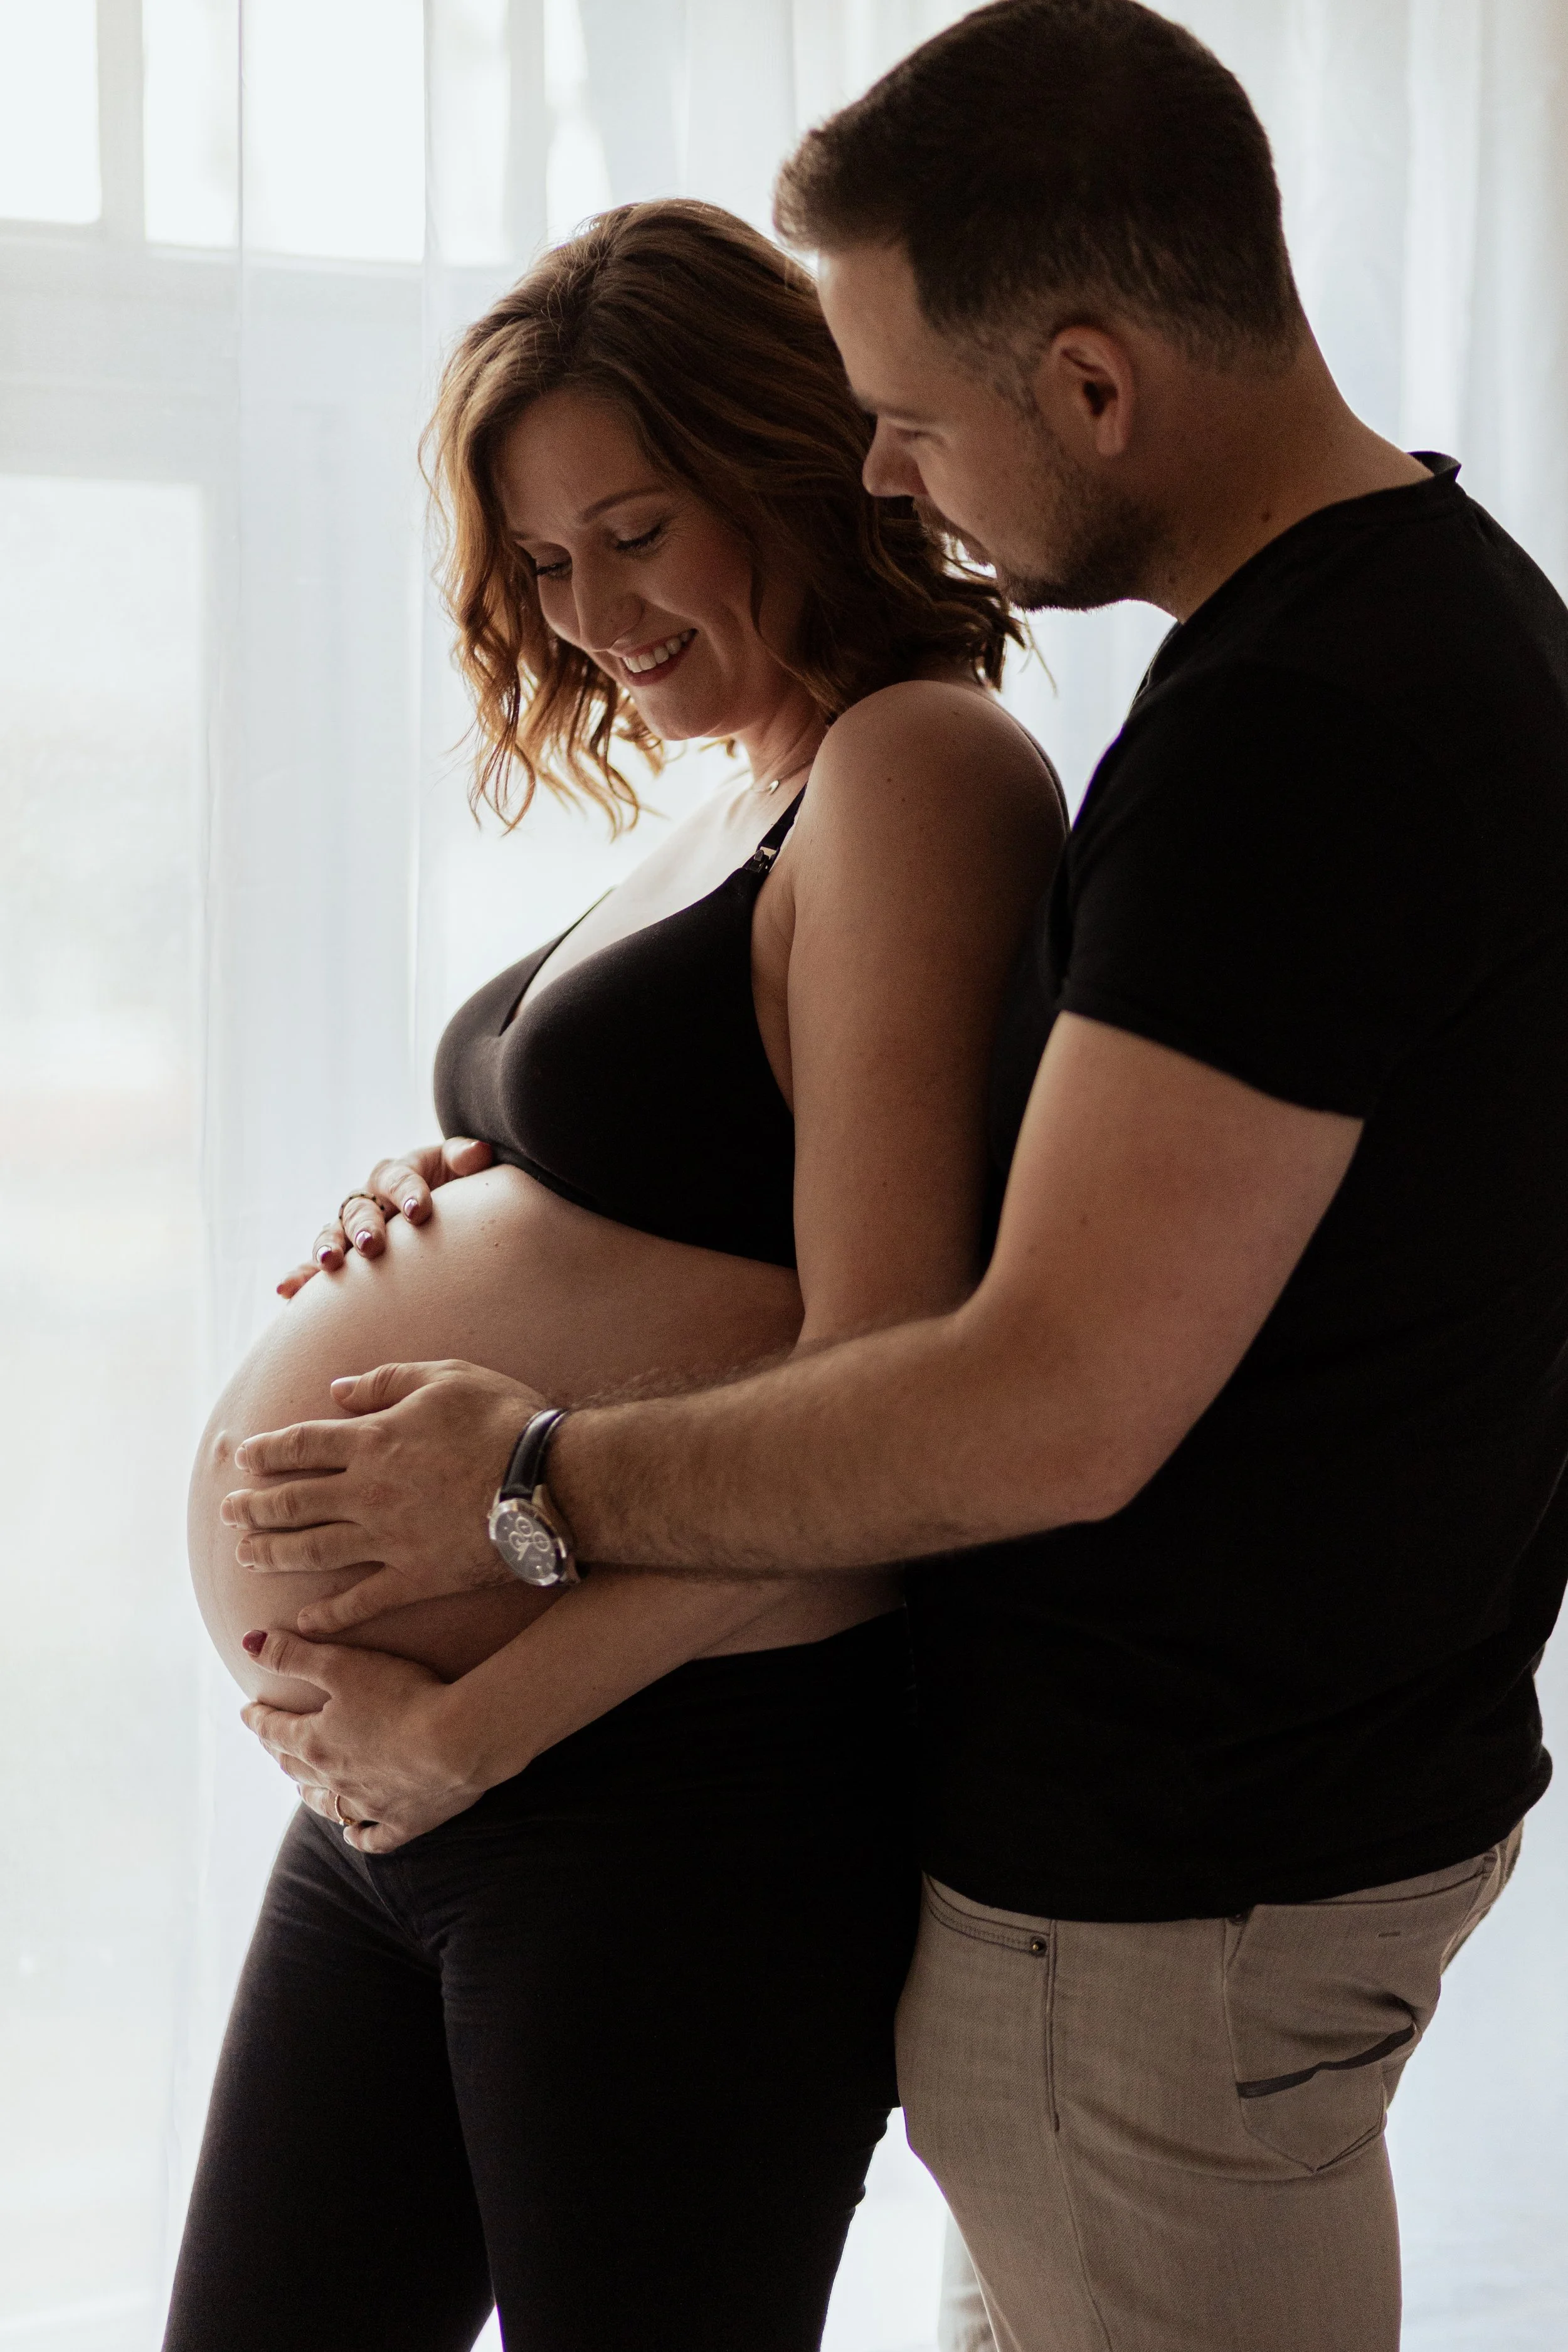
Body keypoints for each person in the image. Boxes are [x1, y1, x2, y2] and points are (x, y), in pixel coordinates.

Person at [226, 4, 1568, 2348]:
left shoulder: (1251, 729)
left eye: (905, 416)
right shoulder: (1348, 662)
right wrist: (476, 1222)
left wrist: (517, 1481)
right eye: (540, 561)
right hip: (1127, 1845)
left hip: (1077, 1848)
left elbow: (1023, 1392)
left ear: (1087, 380)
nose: (887, 469)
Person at [169, 197, 1064, 2352]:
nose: (593, 616)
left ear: (792, 452)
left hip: (667, 1793)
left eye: (639, 529)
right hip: (419, 1780)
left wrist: (472, 1724)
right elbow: (693, 1193)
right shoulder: (738, 795)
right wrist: (472, 1192)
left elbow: (889, 1403)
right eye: (548, 568)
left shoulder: (915, 764)